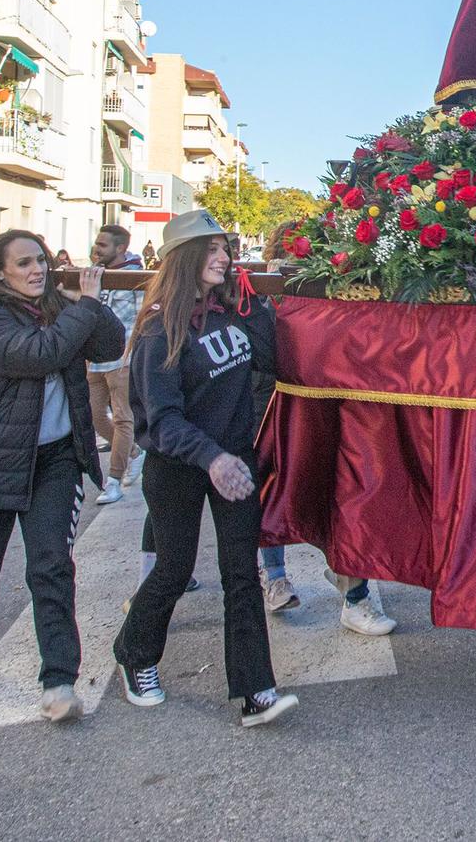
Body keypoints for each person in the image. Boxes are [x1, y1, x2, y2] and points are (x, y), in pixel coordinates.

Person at [113, 209, 301, 727]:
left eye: (225, 248)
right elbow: (162, 418)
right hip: (180, 466)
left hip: (235, 461)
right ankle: (135, 655)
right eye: (212, 250)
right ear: (185, 260)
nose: (224, 257)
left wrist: (254, 304)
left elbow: (271, 361)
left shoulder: (231, 312)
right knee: (174, 570)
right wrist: (211, 458)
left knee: (241, 574)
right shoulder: (158, 331)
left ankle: (255, 690)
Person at [0, 231, 125, 721]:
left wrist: (87, 303)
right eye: (24, 263)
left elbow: (109, 343)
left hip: (55, 459)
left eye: (41, 260)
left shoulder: (61, 307)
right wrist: (83, 306)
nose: (37, 270)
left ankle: (59, 679)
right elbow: (39, 354)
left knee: (52, 565)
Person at [86, 225, 145, 505]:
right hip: (95, 359)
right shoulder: (94, 274)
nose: (97, 248)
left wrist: (135, 352)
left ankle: (114, 480)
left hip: (123, 357)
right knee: (94, 414)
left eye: (103, 244)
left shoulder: (135, 276)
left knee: (123, 417)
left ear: (120, 248)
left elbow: (144, 316)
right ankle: (134, 451)